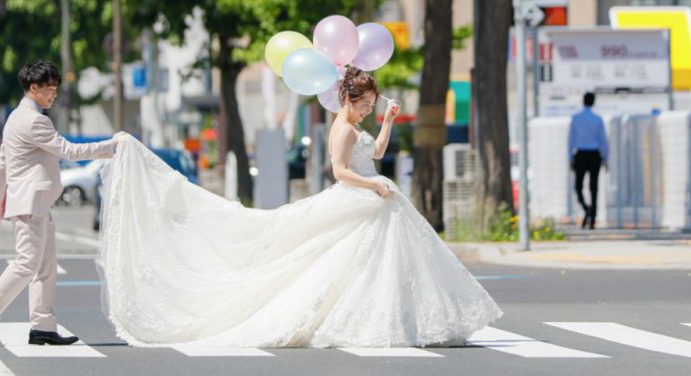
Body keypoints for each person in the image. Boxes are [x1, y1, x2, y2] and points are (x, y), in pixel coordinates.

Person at [97, 65, 502, 348]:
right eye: (365, 105)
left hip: (372, 196)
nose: (368, 110)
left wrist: (387, 123)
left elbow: (375, 154)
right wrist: (373, 184)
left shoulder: (358, 125)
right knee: (336, 263)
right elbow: (341, 171)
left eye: (372, 106)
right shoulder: (340, 128)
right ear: (348, 98)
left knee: (375, 263)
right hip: (355, 198)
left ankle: (401, 316)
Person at [0, 60, 122, 348]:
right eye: (49, 90)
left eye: (55, 90)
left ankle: (43, 327)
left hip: (33, 203)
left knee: (45, 267)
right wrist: (110, 146)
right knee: (27, 264)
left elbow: (3, 162)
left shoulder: (15, 117)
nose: (54, 95)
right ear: (33, 88)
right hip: (31, 203)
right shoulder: (35, 120)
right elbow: (69, 151)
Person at [567, 91, 609, 229]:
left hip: (581, 154)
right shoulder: (598, 119)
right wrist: (606, 158)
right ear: (593, 102)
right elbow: (603, 140)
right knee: (594, 188)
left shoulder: (576, 118)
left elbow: (571, 140)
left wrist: (570, 157)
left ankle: (587, 210)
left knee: (578, 187)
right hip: (594, 154)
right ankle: (592, 216)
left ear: (583, 101)